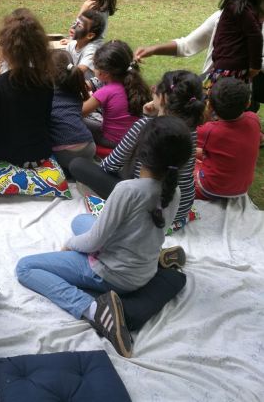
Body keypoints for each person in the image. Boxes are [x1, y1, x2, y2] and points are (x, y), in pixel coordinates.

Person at [16, 116, 193, 358]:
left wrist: (69, 245)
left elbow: (93, 243)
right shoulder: (176, 191)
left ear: (141, 151)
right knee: (80, 222)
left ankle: (94, 310)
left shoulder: (128, 190)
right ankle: (159, 257)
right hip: (143, 264)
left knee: (25, 267)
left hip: (112, 273)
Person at [71, 70, 205, 231]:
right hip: (181, 208)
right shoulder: (191, 130)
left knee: (77, 165)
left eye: (157, 88)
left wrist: (146, 118)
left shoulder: (145, 126)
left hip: (146, 208)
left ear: (162, 97)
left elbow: (111, 165)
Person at [136, 0, 262, 87]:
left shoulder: (241, 11)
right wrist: (153, 49)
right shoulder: (228, 13)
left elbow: (255, 37)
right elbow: (188, 44)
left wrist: (254, 67)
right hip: (221, 78)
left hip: (229, 84)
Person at [0, 8, 55, 168]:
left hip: (7, 155)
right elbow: (45, 119)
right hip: (41, 153)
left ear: (6, 49)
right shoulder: (46, 80)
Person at [195, 77, 260, 200]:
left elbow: (182, 139)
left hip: (210, 189)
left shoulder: (209, 130)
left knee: (184, 160)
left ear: (211, 106)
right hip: (242, 188)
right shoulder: (253, 119)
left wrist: (207, 114)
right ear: (248, 103)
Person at [82, 40, 151, 148]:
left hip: (113, 142)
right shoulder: (137, 84)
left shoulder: (106, 91)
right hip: (133, 140)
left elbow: (80, 112)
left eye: (94, 65)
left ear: (104, 73)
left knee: (79, 122)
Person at [49, 50, 95, 175]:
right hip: (89, 146)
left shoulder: (46, 93)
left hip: (64, 152)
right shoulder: (75, 89)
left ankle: (67, 172)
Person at [66, 9, 106, 80]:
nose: (73, 27)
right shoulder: (71, 44)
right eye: (75, 22)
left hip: (88, 87)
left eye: (79, 26)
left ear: (90, 35)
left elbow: (79, 71)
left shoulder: (91, 50)